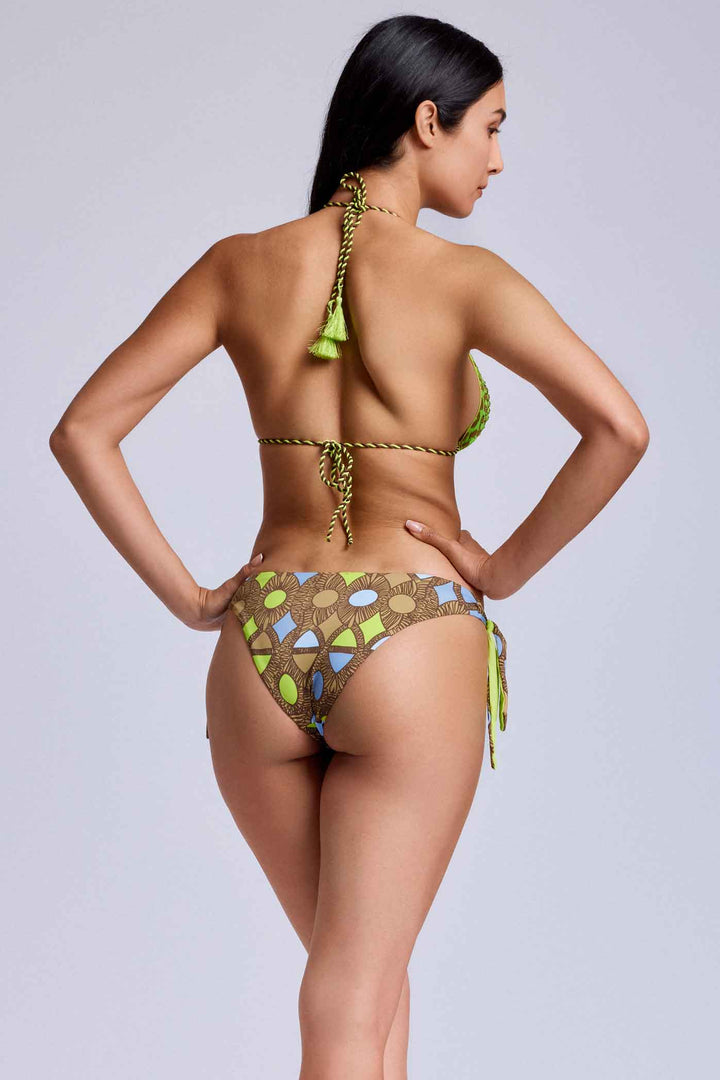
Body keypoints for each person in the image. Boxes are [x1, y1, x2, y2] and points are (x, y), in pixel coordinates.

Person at [49, 14, 649, 1080]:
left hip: (260, 646)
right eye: (491, 128)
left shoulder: (237, 266)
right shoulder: (467, 278)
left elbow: (83, 429)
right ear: (427, 121)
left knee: (363, 982)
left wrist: (192, 598)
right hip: (409, 636)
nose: (498, 158)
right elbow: (621, 428)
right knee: (350, 996)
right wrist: (499, 569)